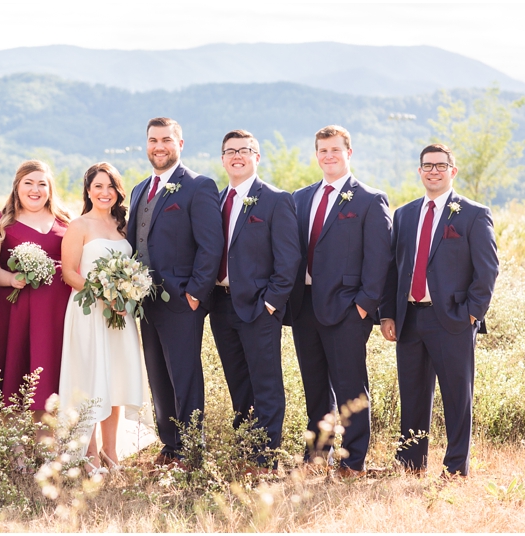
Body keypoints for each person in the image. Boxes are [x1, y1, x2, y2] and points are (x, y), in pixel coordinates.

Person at [379, 144, 498, 477]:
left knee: (457, 398)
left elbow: (487, 270)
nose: (434, 171)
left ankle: (455, 469)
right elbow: (392, 268)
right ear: (419, 171)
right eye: (427, 166)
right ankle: (410, 465)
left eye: (440, 165)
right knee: (413, 395)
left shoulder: (473, 214)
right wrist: (387, 313)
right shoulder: (404, 215)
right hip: (409, 318)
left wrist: (471, 314)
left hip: (453, 319)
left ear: (452, 171)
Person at [285, 125, 392, 478]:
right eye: (323, 150)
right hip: (304, 306)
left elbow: (380, 258)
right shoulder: (301, 197)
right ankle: (318, 455)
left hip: (347, 308)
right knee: (315, 387)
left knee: (350, 388)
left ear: (349, 153)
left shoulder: (369, 199)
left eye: (335, 149)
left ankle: (353, 461)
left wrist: (364, 305)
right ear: (316, 154)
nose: (328, 155)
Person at [126, 117, 223, 469]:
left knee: (184, 376)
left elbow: (211, 245)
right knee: (158, 375)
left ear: (180, 144)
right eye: (153, 140)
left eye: (166, 139)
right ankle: (170, 446)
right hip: (145, 302)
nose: (159, 146)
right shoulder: (139, 189)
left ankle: (192, 451)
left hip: (181, 301)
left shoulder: (199, 186)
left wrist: (195, 293)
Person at [209, 130, 300, 475]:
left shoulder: (276, 200)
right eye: (230, 151)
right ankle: (246, 451)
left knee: (266, 385)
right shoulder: (216, 201)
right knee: (238, 383)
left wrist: (271, 303)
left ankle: (265, 461)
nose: (237, 156)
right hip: (221, 306)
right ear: (222, 159)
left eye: (244, 150)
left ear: (256, 157)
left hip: (260, 308)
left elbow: (289, 259)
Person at [59, 162, 155, 476]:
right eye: (98, 186)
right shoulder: (79, 225)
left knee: (116, 379)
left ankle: (110, 452)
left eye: (111, 186)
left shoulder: (123, 226)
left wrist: (127, 293)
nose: (105, 192)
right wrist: (104, 294)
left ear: (118, 191)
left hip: (120, 314)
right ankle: (89, 453)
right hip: (89, 312)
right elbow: (69, 273)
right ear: (88, 191)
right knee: (91, 379)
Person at [0, 160, 72, 427]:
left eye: (42, 184)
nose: (35, 190)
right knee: (12, 369)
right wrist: (12, 278)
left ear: (50, 188)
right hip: (13, 310)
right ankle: (14, 444)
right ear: (17, 186)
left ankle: (47, 441)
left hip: (56, 313)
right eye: (29, 183)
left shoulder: (66, 221)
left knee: (51, 371)